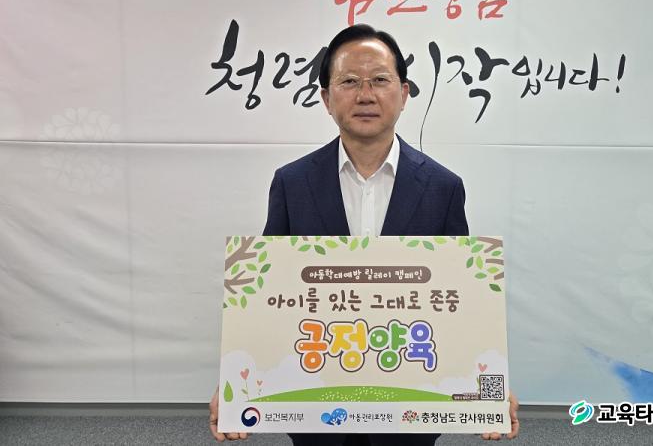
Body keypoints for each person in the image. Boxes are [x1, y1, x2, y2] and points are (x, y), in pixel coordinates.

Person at [209, 24, 520, 443]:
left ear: (404, 93)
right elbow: (266, 294)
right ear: (326, 98)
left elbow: (461, 301)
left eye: (380, 80)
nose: (366, 95)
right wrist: (235, 384)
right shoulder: (292, 183)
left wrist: (489, 387)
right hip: (318, 410)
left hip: (408, 412)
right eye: (350, 82)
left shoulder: (444, 187)